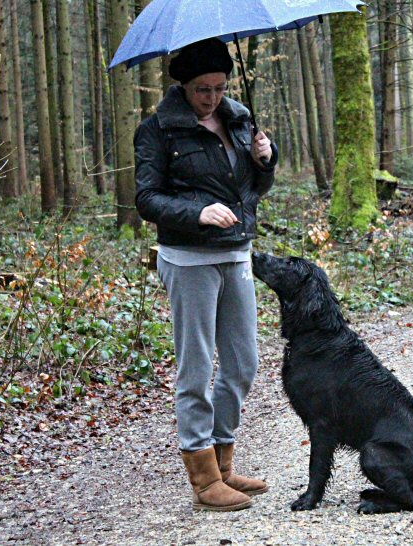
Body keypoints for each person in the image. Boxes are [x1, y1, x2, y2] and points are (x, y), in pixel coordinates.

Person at [134, 38, 278, 512]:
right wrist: (199, 213)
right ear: (183, 85)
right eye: (203, 89)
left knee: (243, 363)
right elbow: (147, 199)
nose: (212, 97)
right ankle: (203, 477)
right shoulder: (157, 131)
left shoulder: (238, 120)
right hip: (188, 259)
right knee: (196, 368)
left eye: (220, 87)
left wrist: (265, 160)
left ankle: (223, 461)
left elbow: (252, 188)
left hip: (237, 253)